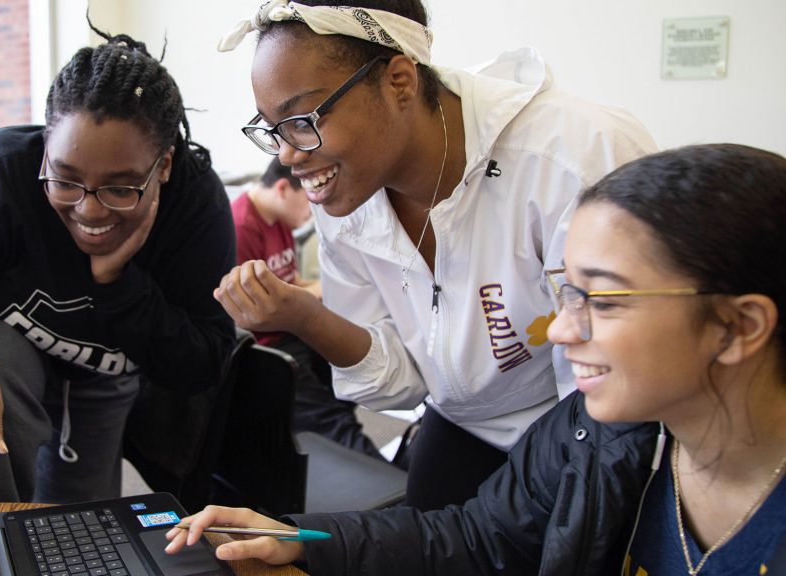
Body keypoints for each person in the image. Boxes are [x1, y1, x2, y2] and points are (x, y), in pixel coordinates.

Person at [169, 143, 786, 575]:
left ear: (738, 325)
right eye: (565, 291)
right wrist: (301, 538)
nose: (562, 331)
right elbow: (472, 535)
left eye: (602, 298)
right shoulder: (594, 437)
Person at [212, 0, 657, 510]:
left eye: (302, 119)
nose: (288, 155)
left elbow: (613, 395)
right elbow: (402, 385)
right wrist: (306, 317)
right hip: (463, 423)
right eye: (273, 129)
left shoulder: (571, 160)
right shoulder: (347, 196)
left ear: (399, 81)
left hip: (583, 424)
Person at [0, 28, 236, 504]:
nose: (90, 210)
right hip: (1, 359)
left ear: (163, 165)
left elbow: (203, 363)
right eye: (65, 180)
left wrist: (118, 285)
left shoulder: (194, 206)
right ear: (45, 146)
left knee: (80, 531)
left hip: (106, 370)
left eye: (121, 188)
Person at [233, 158, 384, 459]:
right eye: (309, 196)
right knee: (329, 419)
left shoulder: (280, 218)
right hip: (269, 346)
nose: (313, 208)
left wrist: (321, 288)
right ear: (282, 189)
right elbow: (251, 310)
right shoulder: (240, 227)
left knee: (349, 382)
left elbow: (290, 280)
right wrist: (323, 290)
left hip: (291, 330)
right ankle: (388, 485)